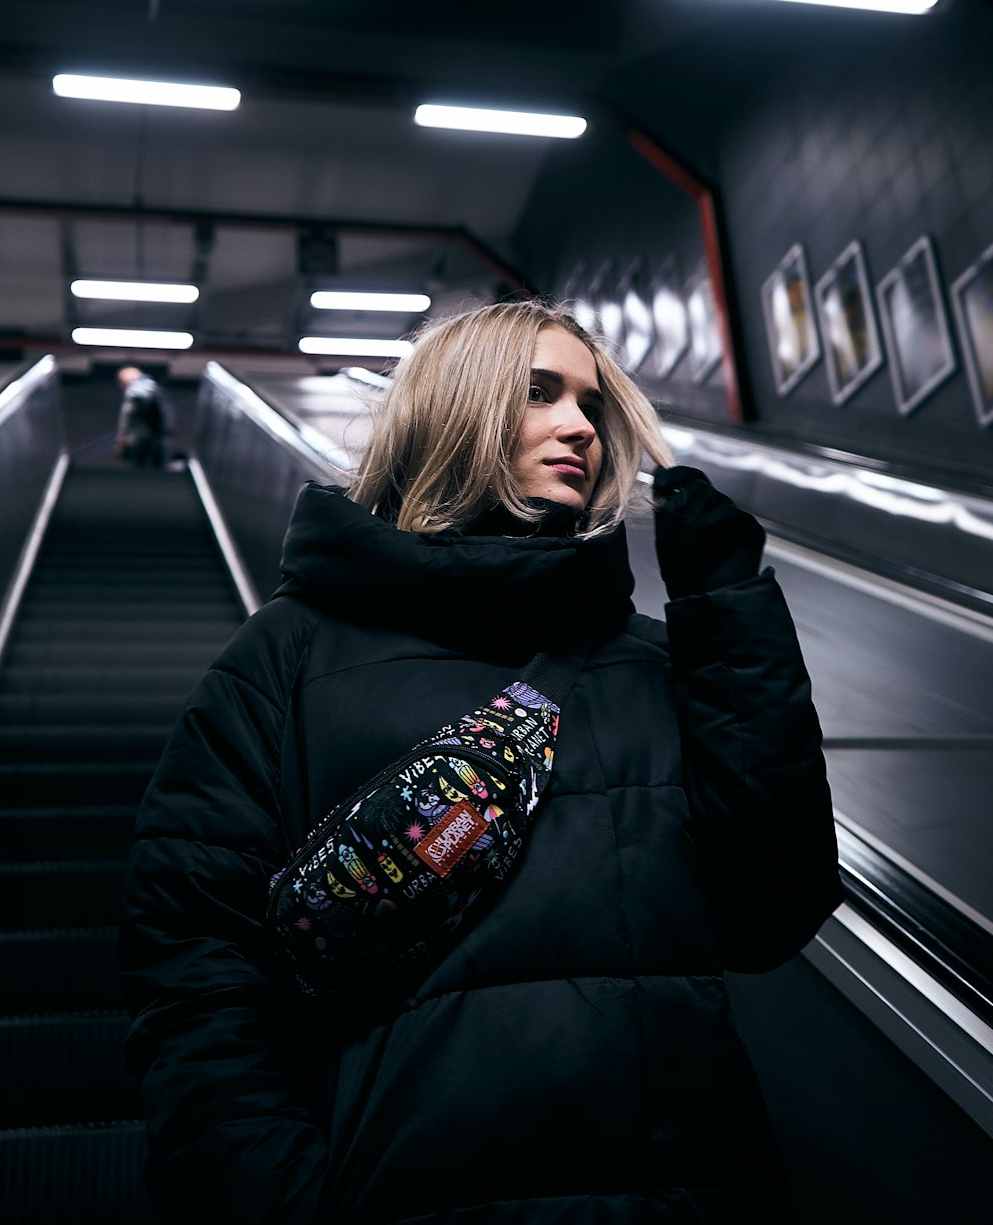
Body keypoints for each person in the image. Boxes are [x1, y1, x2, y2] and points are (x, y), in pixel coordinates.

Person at [119, 299, 843, 1225]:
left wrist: (730, 612)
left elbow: (769, 911)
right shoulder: (287, 660)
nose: (580, 424)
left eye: (590, 403)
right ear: (454, 407)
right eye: (539, 392)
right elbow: (191, 965)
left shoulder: (656, 660)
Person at [114, 365, 170, 468]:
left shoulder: (134, 390)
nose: (122, 385)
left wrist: (122, 434)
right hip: (158, 436)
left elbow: (128, 413)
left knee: (139, 467)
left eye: (122, 381)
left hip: (139, 437)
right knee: (157, 468)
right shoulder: (155, 388)